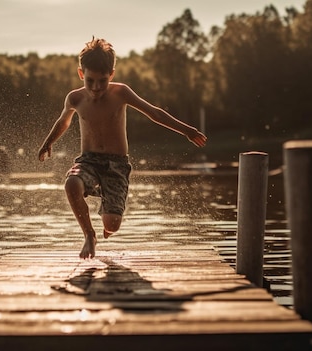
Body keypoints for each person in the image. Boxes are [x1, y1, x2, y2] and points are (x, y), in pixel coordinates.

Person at [38, 37, 207, 259]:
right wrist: (48, 142)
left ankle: (107, 215)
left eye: (102, 81)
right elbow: (63, 122)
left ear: (112, 74)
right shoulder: (75, 98)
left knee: (113, 225)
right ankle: (90, 236)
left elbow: (154, 113)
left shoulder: (121, 93)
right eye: (90, 81)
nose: (97, 87)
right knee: (71, 184)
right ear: (81, 74)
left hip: (116, 166)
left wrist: (187, 130)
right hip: (88, 161)